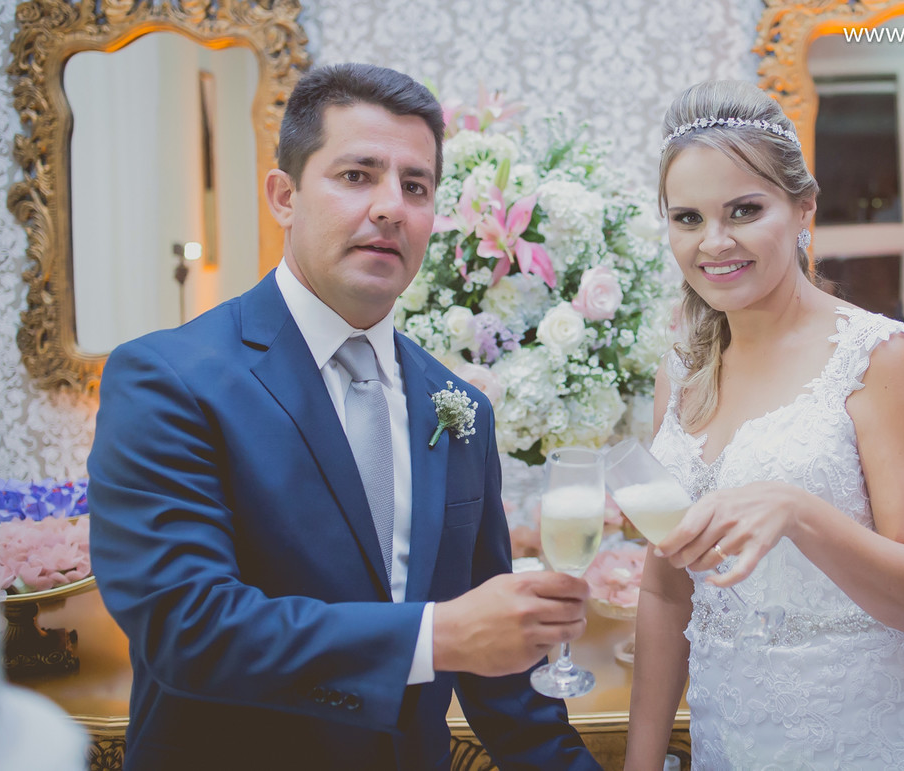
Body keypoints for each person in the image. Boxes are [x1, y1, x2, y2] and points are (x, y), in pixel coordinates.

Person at [88, 63, 600, 771]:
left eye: (415, 186)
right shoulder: (168, 378)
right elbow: (189, 629)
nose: (391, 206)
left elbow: (503, 677)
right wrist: (436, 636)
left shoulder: (460, 408)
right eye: (358, 175)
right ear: (284, 196)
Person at [624, 81, 904, 769]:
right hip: (734, 741)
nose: (713, 243)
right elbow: (666, 590)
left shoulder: (876, 358)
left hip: (867, 743)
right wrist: (642, 760)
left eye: (744, 210)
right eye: (687, 218)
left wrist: (799, 511)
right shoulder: (681, 371)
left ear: (803, 207)